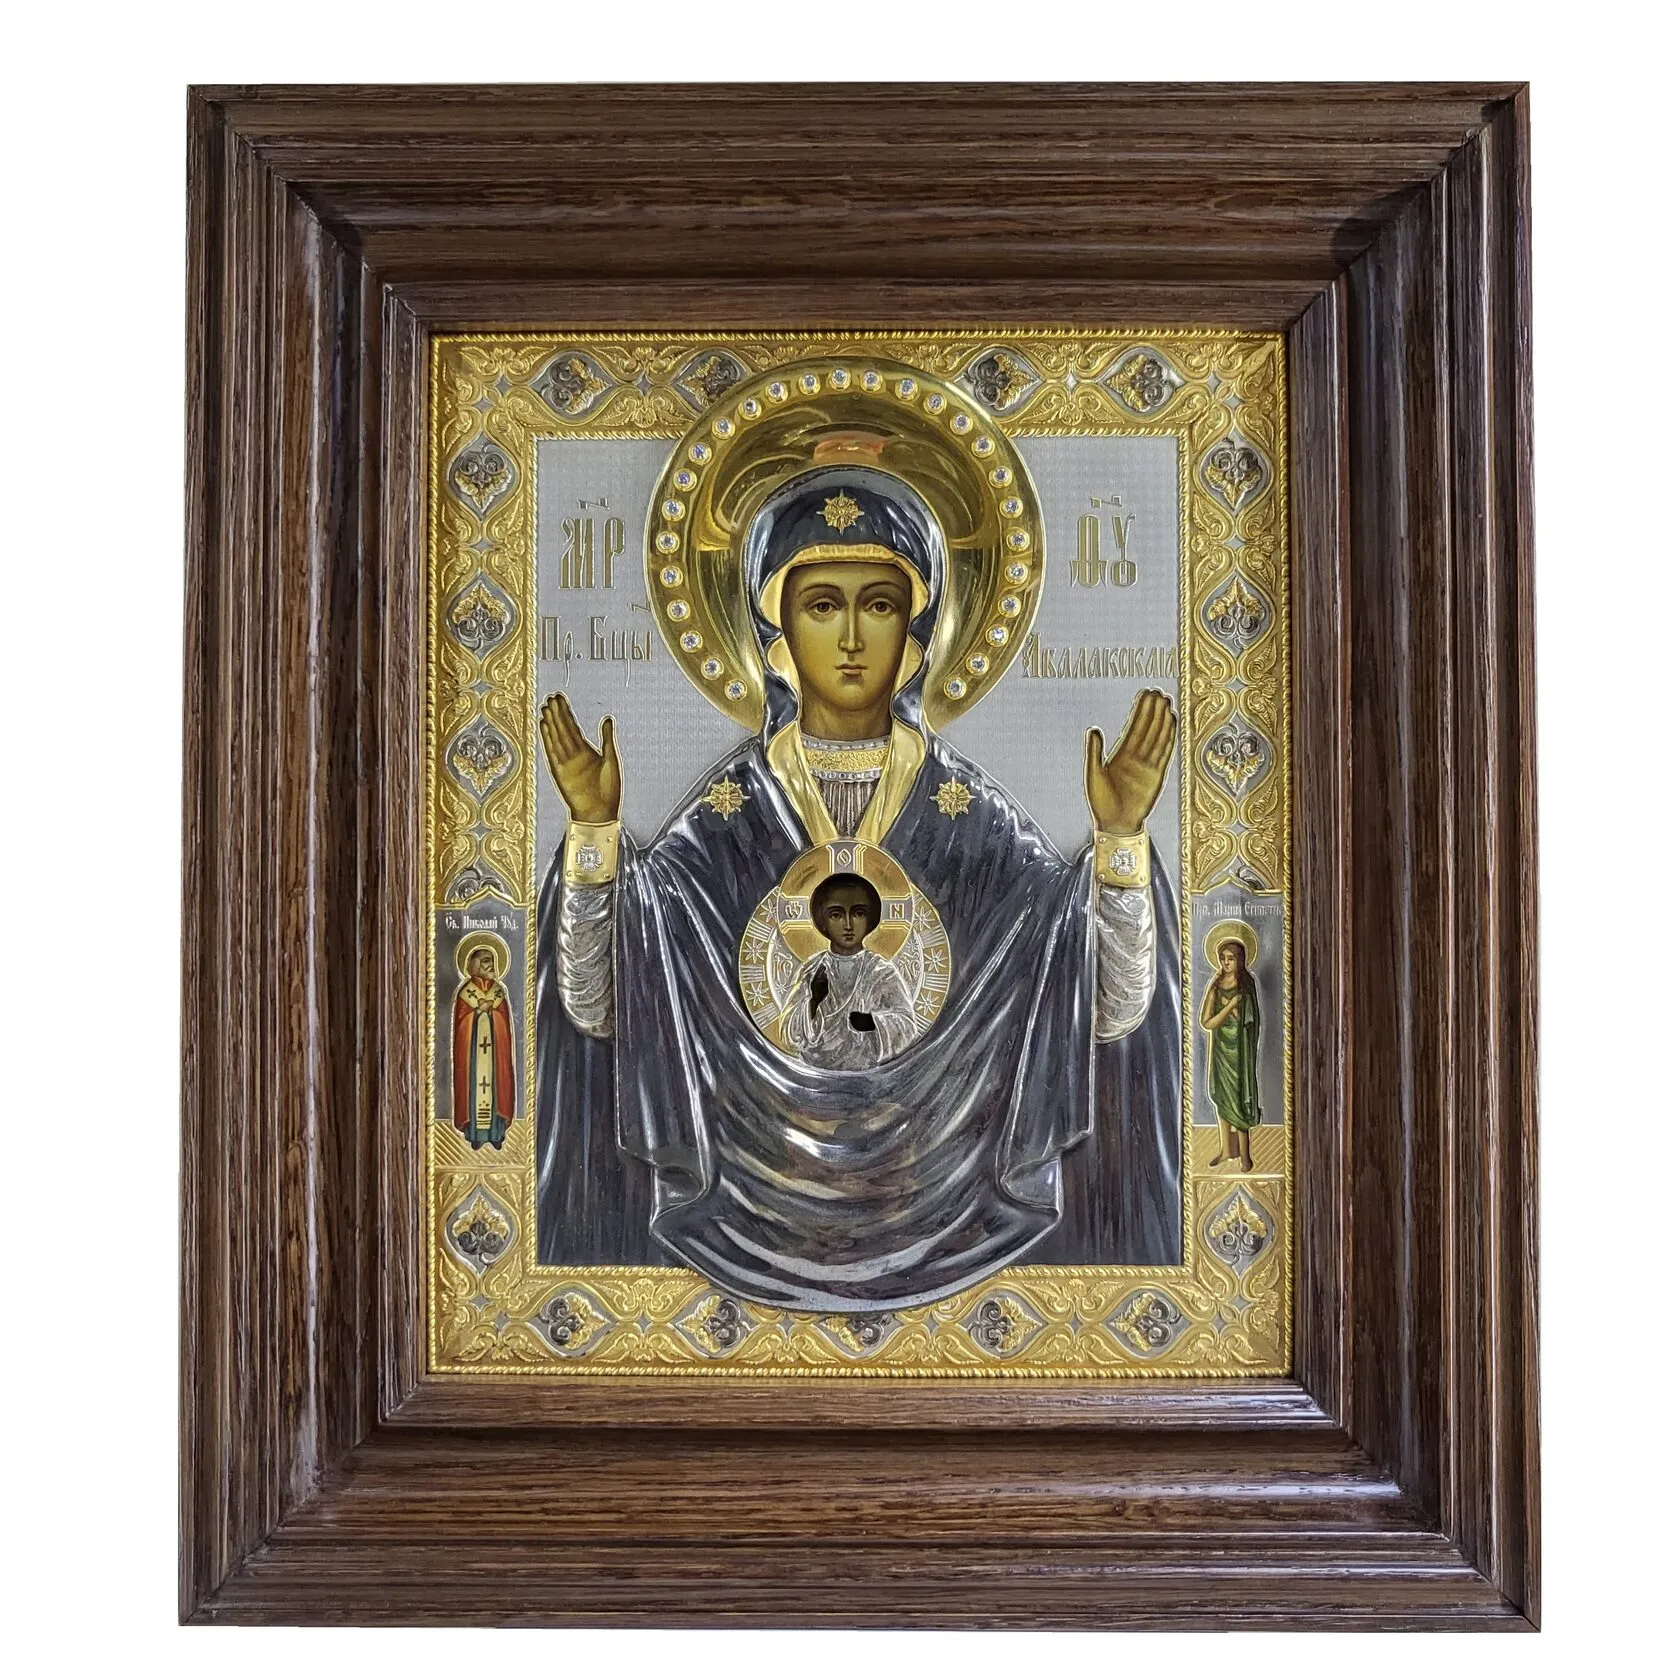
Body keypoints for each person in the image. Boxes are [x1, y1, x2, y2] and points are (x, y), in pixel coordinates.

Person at [534, 464, 1182, 1309]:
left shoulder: (969, 818)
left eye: (877, 604)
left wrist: (1122, 841)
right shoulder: (731, 816)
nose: (849, 637)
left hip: (949, 1202)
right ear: (777, 634)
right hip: (752, 1202)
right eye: (820, 605)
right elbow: (603, 1008)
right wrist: (592, 834)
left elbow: (1105, 1010)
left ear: (915, 633)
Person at [781, 872, 920, 1070]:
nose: (848, 925)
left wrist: (872, 1023)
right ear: (822, 922)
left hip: (868, 1073)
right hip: (815, 1073)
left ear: (871, 919)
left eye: (858, 914)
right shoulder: (812, 971)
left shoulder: (880, 972)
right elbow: (788, 1034)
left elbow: (907, 1027)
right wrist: (813, 1001)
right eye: (836, 915)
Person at [1201, 937, 1261, 1171]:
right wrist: (1229, 1007)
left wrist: (1239, 1009)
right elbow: (1207, 1022)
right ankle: (1226, 1150)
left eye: (1231, 959)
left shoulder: (1247, 986)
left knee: (1239, 1098)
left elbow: (1252, 1021)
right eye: (1222, 958)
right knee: (1222, 1097)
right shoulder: (1216, 986)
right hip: (1221, 1052)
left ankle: (1245, 1155)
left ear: (1240, 960)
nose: (1226, 963)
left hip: (1240, 1052)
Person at [451, 939, 515, 1150]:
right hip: (473, 1055)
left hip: (495, 1054)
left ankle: (496, 1134)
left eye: (492, 961)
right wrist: (477, 1013)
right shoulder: (466, 992)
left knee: (496, 1086)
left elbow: (504, 1024)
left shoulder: (498, 991)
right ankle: (476, 1135)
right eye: (486, 961)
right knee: (475, 1088)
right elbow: (461, 1024)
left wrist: (493, 1014)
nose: (490, 966)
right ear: (475, 964)